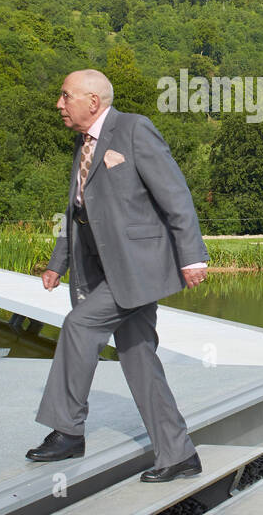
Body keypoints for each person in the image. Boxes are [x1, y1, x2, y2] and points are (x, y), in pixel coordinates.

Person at [29, 69, 209, 482]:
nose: (59, 104)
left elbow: (175, 193)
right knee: (138, 357)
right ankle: (178, 454)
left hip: (139, 268)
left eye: (65, 96)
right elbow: (76, 210)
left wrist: (193, 256)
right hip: (104, 270)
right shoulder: (83, 142)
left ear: (92, 101)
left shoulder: (134, 129)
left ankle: (68, 430)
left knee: (79, 326)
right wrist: (59, 262)